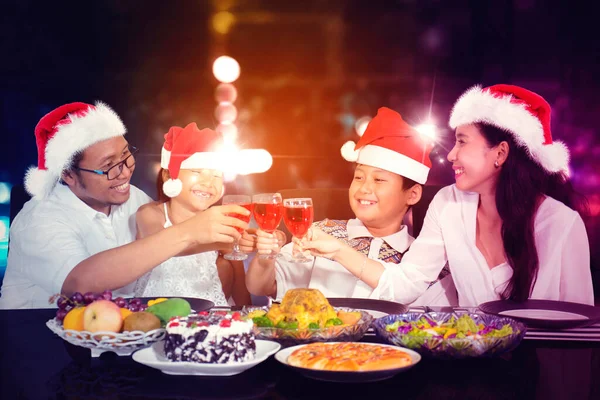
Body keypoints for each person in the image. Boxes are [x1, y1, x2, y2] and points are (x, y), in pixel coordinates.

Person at [314, 84, 592, 306]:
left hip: (536, 369)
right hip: (467, 362)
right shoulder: (449, 203)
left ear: (500, 153)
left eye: (462, 141)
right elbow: (407, 282)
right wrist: (339, 250)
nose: (451, 154)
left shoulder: (562, 225)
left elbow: (578, 330)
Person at [0, 102, 249, 309]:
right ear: (69, 175)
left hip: (117, 340)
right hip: (42, 346)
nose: (124, 172)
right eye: (109, 165)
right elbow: (79, 285)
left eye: (126, 155)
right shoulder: (39, 219)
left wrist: (226, 241)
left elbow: (166, 247)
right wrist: (189, 231)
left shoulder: (133, 199)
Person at [245, 107, 457, 305]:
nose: (364, 189)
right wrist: (266, 257)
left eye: (379, 180)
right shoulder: (321, 233)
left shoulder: (423, 262)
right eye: (358, 177)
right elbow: (263, 286)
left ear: (412, 194)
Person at [134, 122, 251, 306]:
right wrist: (221, 242)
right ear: (167, 175)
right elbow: (161, 244)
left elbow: (241, 292)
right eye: (197, 172)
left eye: (216, 175)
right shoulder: (150, 214)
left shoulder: (222, 223)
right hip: (157, 321)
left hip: (209, 322)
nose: (208, 182)